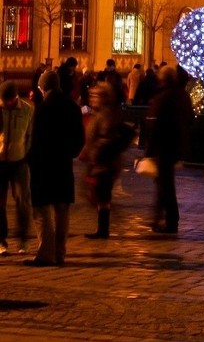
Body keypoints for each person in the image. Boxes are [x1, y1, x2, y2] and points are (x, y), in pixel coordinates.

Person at [24, 68, 86, 266]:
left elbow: (36, 139)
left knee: (41, 209)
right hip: (63, 164)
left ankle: (45, 253)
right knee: (62, 209)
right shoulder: (72, 107)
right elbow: (80, 138)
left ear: (44, 88)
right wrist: (70, 152)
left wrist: (30, 160)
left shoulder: (42, 109)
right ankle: (60, 253)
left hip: (44, 165)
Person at [146, 65, 194, 235]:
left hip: (163, 146)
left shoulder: (163, 97)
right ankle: (160, 218)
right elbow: (190, 118)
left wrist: (148, 151)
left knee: (166, 184)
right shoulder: (183, 95)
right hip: (176, 145)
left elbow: (155, 124)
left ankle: (171, 221)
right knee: (163, 183)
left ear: (163, 79)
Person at [82, 81, 132, 239]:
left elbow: (106, 138)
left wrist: (96, 152)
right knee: (100, 195)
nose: (92, 98)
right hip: (101, 161)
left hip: (105, 162)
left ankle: (103, 229)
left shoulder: (107, 114)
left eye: (95, 96)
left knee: (102, 195)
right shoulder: (101, 113)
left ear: (103, 98)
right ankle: (103, 228)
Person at [0, 79, 35, 255]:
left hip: (19, 161)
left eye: (9, 100)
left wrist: (25, 153)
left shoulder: (27, 110)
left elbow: (30, 135)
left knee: (23, 202)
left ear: (15, 97)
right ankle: (1, 240)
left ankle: (23, 239)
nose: (6, 104)